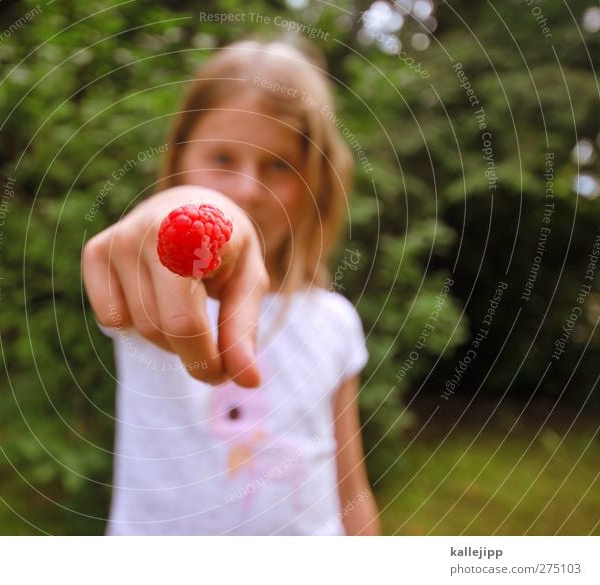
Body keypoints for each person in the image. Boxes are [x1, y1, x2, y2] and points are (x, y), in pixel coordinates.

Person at [82, 35, 381, 535]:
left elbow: (351, 488)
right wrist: (194, 213)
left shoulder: (335, 322)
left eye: (279, 165)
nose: (247, 189)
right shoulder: (154, 293)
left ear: (317, 182)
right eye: (221, 158)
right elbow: (155, 228)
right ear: (178, 159)